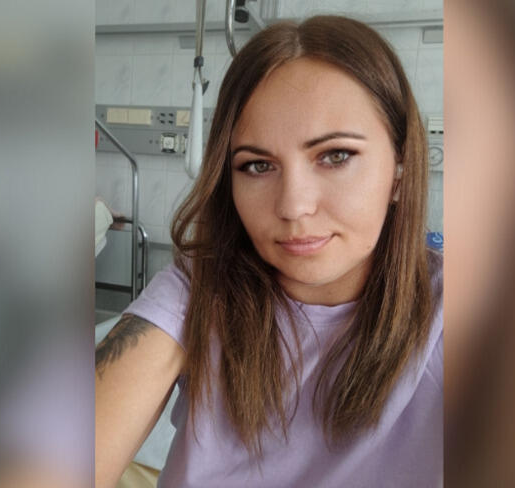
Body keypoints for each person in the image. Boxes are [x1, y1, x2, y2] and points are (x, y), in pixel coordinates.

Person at [96, 15, 442, 488]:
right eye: (257, 165)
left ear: (399, 170)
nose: (293, 206)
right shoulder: (198, 288)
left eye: (336, 156)